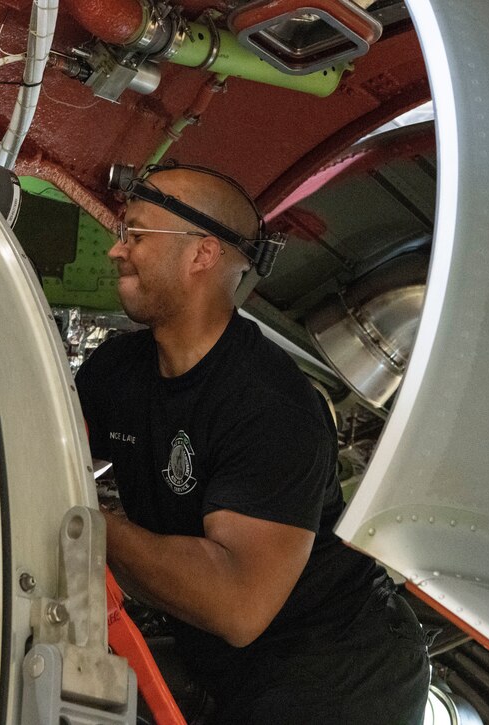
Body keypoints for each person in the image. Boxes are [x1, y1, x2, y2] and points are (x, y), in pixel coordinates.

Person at [75, 163, 429, 723]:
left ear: (201, 254)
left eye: (136, 234)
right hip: (230, 662)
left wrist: (88, 523)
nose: (118, 251)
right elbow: (46, 441)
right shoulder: (118, 372)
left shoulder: (271, 405)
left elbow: (237, 604)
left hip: (339, 673)